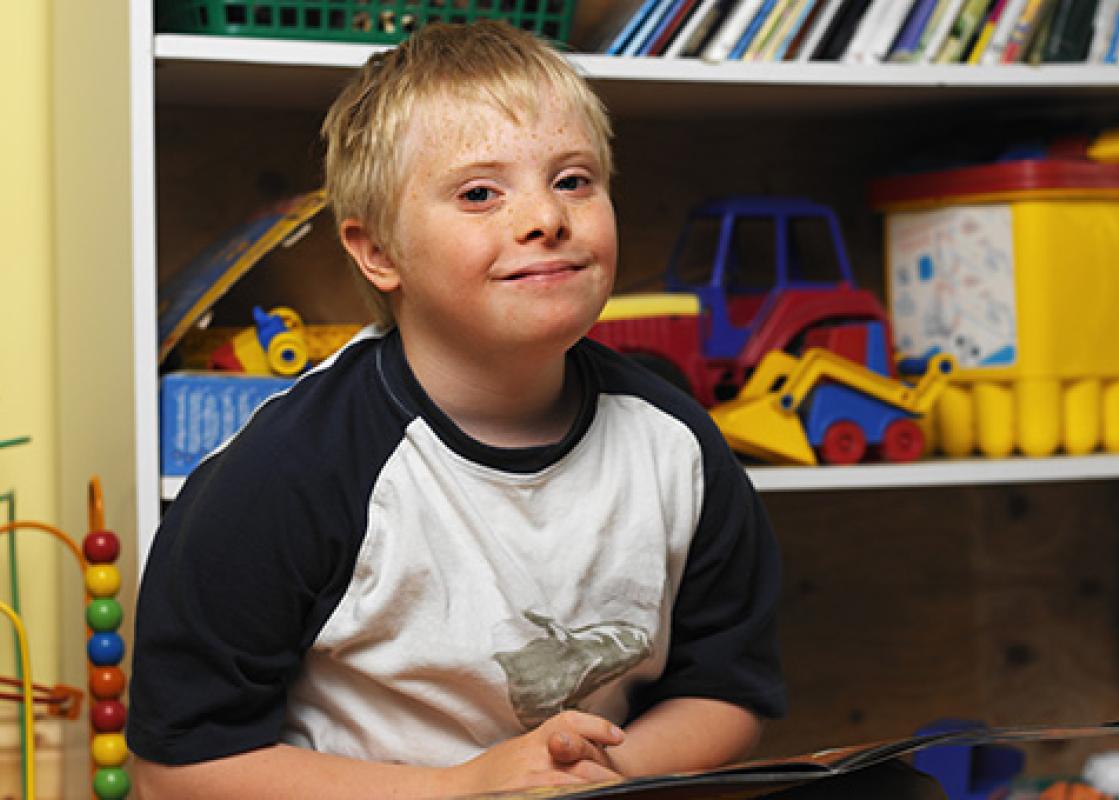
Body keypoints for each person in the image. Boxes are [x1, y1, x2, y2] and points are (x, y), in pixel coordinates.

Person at [128, 20, 788, 799]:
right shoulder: (286, 474)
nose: (546, 217)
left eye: (573, 180)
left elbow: (728, 689)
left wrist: (601, 779)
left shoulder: (677, 446)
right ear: (378, 252)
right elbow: (176, 770)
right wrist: (467, 789)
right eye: (480, 193)